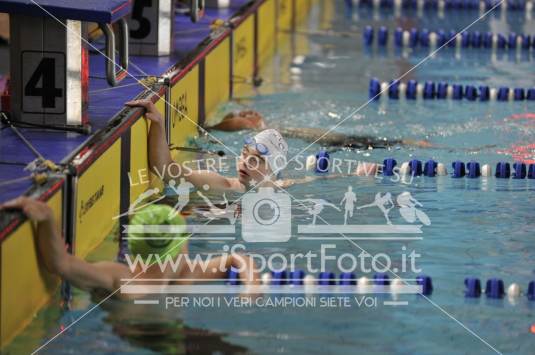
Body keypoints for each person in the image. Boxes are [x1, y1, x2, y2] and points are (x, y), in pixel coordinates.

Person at [0, 197, 259, 300]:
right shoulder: (122, 278)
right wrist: (46, 216)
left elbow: (239, 260)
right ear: (181, 246)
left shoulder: (181, 274)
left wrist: (252, 286)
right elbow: (61, 264)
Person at [206, 109, 433, 149]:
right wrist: (213, 125)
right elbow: (230, 124)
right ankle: (408, 143)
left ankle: (407, 142)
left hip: (332, 139)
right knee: (378, 144)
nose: (251, 112)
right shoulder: (250, 127)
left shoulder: (269, 126)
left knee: (376, 142)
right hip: (330, 142)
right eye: (245, 113)